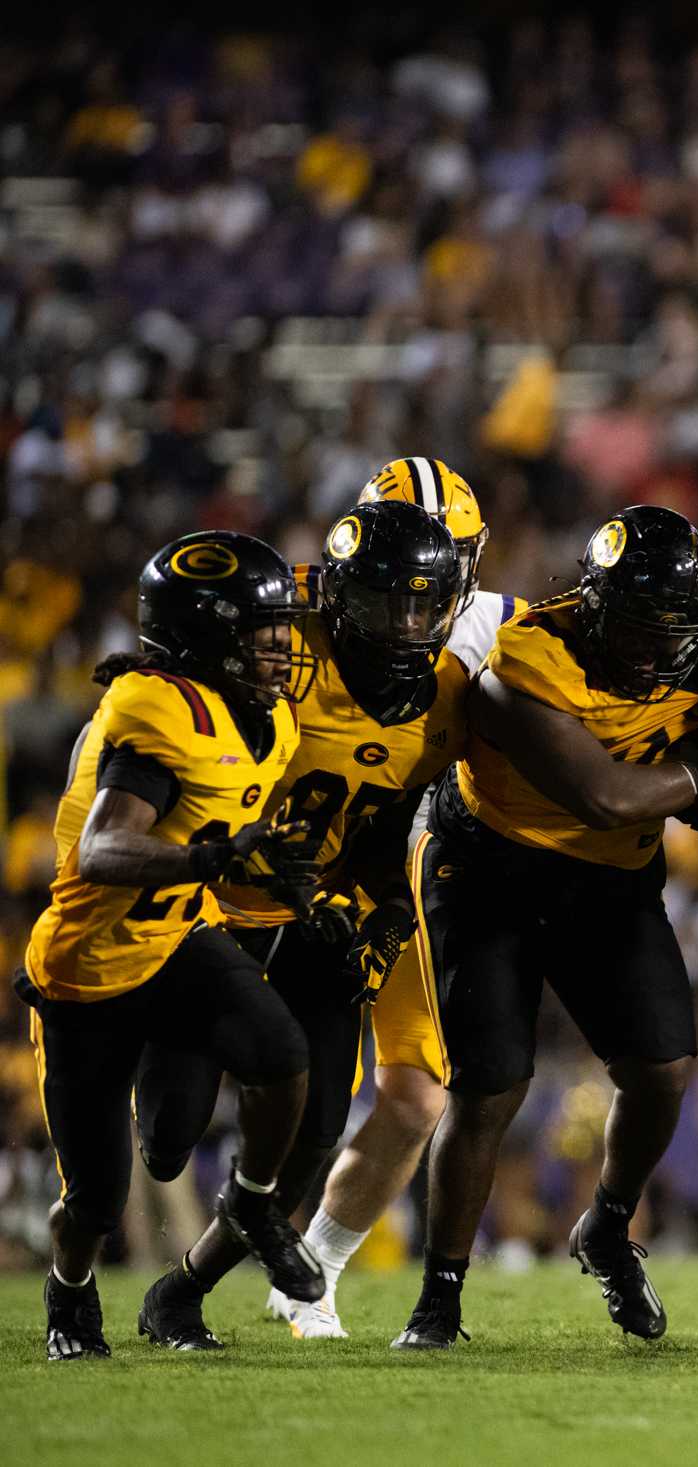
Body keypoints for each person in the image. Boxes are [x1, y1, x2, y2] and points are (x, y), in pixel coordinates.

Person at [391, 506, 698, 1350]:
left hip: (609, 882)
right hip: (489, 871)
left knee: (663, 1068)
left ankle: (609, 1228)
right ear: (591, 606)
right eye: (633, 624)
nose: (654, 649)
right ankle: (439, 1297)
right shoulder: (525, 661)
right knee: (491, 1087)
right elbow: (608, 796)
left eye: (673, 630)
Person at [130, 501, 472, 1350]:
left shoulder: (443, 697)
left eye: (425, 604)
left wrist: (390, 913)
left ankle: (183, 1290)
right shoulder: (282, 652)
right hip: (209, 904)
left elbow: (389, 832)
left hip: (313, 910)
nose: (407, 624)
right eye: (389, 601)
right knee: (168, 1136)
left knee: (313, 1131)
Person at [25, 532, 324, 1360]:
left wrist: (301, 893)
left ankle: (255, 1201)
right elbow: (104, 849)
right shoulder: (157, 713)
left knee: (282, 1053)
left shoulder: (267, 717)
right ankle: (69, 1293)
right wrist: (211, 859)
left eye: (281, 632)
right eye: (263, 635)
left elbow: (235, 833)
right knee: (95, 1197)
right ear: (208, 638)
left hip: (176, 937)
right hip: (87, 970)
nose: (281, 651)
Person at [276, 456, 526, 1339]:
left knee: (419, 1095)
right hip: (272, 878)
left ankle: (311, 1280)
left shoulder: (498, 629)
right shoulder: (292, 625)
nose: (413, 598)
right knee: (285, 1090)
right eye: (393, 577)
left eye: (440, 566)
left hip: (395, 870)